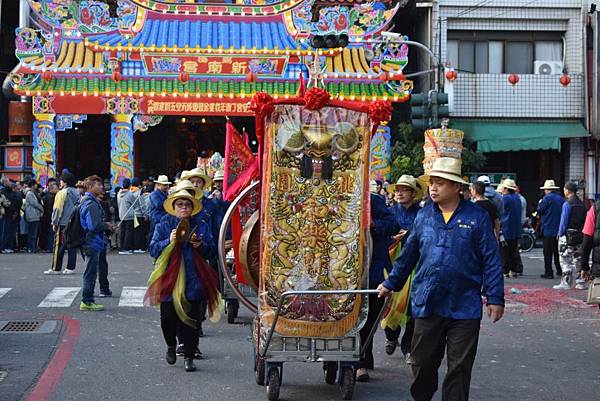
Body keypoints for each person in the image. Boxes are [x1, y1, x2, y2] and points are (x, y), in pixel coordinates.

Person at [377, 157, 504, 401]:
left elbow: (491, 259)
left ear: (457, 187)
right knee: (422, 363)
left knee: (459, 368)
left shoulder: (477, 217)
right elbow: (408, 257)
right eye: (432, 183)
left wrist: (495, 297)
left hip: (464, 306)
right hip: (427, 302)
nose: (433, 188)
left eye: (440, 183)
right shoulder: (424, 217)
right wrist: (391, 283)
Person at [146, 189, 219, 372]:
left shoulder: (201, 225)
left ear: (193, 207)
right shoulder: (163, 224)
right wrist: (168, 241)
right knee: (168, 317)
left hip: (194, 277)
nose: (184, 208)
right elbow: (153, 250)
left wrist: (200, 245)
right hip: (170, 277)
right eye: (180, 204)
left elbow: (211, 251)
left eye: (187, 204)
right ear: (173, 207)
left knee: (192, 319)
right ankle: (171, 345)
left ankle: (189, 356)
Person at [356, 180, 399, 382]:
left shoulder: (374, 202)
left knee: (370, 316)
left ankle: (362, 360)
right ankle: (357, 360)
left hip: (373, 271)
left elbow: (393, 225)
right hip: (343, 275)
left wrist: (373, 223)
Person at [382, 175, 421, 361]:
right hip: (391, 265)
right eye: (397, 189)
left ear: (413, 193)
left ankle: (408, 348)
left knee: (412, 308)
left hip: (415, 265)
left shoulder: (422, 214)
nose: (399, 193)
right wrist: (393, 238)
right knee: (389, 307)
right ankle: (391, 336)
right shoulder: (388, 212)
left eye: (404, 189)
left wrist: (411, 235)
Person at [79, 175, 114, 311]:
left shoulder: (87, 200)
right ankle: (87, 301)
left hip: (91, 241)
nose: (101, 187)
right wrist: (106, 226)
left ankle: (88, 299)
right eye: (98, 185)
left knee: (91, 271)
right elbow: (93, 225)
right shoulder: (91, 203)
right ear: (90, 187)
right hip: (92, 242)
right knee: (90, 272)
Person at [45, 172, 80, 274]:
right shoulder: (77, 192)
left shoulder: (62, 193)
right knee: (71, 245)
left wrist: (54, 222)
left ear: (64, 182)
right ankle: (70, 268)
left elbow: (57, 209)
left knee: (58, 245)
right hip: (74, 223)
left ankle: (56, 268)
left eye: (61, 181)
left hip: (63, 223)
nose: (60, 183)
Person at [554, 182, 586, 290]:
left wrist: (560, 234)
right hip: (580, 234)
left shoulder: (567, 204)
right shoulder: (582, 204)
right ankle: (580, 282)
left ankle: (566, 282)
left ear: (567, 190)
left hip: (568, 235)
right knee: (578, 258)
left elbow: (564, 221)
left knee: (565, 259)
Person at [537, 180, 565, 279]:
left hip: (548, 229)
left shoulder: (545, 199)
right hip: (558, 229)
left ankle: (549, 272)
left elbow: (539, 211)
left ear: (546, 190)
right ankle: (559, 269)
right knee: (557, 251)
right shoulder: (561, 199)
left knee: (547, 252)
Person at [499, 179, 523, 278]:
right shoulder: (518, 198)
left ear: (506, 189)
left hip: (506, 228)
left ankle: (505, 271)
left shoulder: (505, 199)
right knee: (513, 251)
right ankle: (513, 270)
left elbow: (500, 212)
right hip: (516, 228)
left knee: (505, 252)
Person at [23, 180, 44, 253]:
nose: (36, 186)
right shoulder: (30, 193)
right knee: (32, 233)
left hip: (34, 215)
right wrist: (41, 208)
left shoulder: (32, 193)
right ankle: (31, 248)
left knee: (33, 232)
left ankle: (32, 247)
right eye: (35, 185)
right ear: (32, 185)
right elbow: (34, 203)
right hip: (32, 215)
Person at [149, 175, 171, 242]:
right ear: (159, 185)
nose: (166, 186)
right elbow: (158, 204)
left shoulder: (167, 194)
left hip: (165, 218)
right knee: (154, 235)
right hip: (156, 218)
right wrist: (169, 201)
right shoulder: (154, 194)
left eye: (166, 185)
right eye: (164, 185)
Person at [117, 178, 136, 255]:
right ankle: (127, 248)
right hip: (129, 215)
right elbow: (134, 203)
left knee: (123, 232)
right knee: (129, 232)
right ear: (129, 185)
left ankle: (122, 248)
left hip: (121, 214)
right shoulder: (130, 194)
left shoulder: (119, 193)